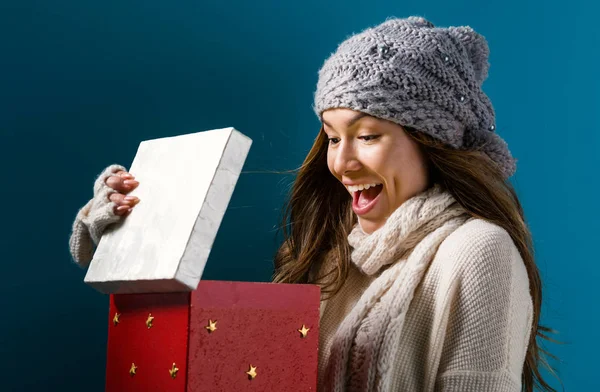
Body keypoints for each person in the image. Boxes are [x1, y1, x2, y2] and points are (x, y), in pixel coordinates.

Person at [69, 16, 557, 392]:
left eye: (367, 136)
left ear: (429, 140)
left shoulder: (477, 251)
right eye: (330, 137)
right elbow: (220, 357)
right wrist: (117, 239)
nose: (341, 163)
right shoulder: (328, 255)